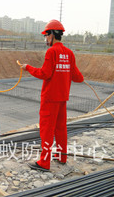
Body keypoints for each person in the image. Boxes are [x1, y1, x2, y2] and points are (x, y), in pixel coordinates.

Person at [21, 20, 84, 172]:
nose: (46, 39)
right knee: (61, 129)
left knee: (47, 130)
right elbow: (78, 77)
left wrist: (28, 67)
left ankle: (44, 162)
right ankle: (62, 156)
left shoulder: (51, 52)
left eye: (46, 35)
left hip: (50, 98)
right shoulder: (69, 53)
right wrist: (73, 75)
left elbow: (45, 73)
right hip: (63, 98)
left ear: (51, 35)